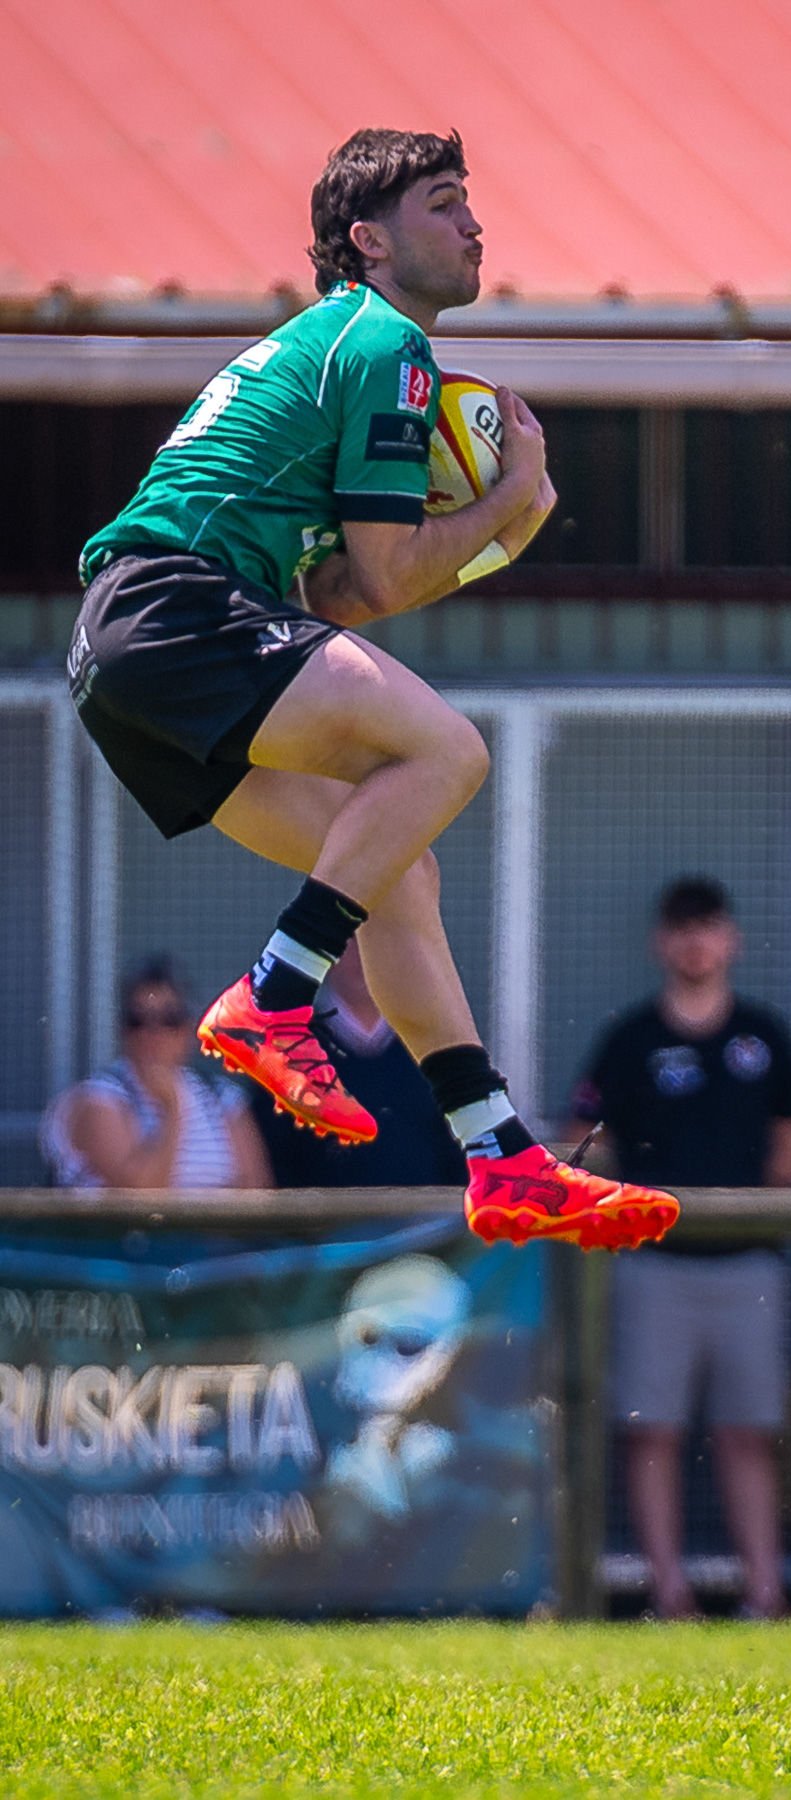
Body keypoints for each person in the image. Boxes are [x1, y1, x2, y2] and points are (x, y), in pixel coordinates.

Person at [69, 126, 677, 1255]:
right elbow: (392, 576)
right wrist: (515, 499)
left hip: (130, 647)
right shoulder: (386, 340)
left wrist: (493, 527)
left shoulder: (341, 347)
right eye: (444, 203)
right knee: (448, 754)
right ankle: (275, 990)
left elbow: (344, 597)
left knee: (401, 868)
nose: (473, 224)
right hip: (176, 607)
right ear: (370, 239)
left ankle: (500, 1157)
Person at [570, 877, 791, 1619]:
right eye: (681, 927)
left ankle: (765, 1594)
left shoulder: (765, 1036)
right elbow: (584, 1139)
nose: (695, 943)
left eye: (708, 926)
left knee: (750, 1433)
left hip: (749, 1268)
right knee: (652, 1434)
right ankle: (668, 1593)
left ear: (731, 939)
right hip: (655, 1270)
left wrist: (751, 1211)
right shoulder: (631, 1039)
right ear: (659, 941)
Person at [40, 957, 270, 1190]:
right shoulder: (99, 1099)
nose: (154, 1034)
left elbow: (256, 1194)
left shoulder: (222, 1097)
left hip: (205, 1228)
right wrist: (171, 1112)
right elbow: (139, 1198)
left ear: (190, 1029)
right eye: (138, 1021)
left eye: (169, 1020)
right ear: (123, 1031)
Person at [251, 940, 466, 1188]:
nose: (360, 957)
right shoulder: (287, 1052)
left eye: (371, 941)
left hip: (426, 1222)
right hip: (325, 1223)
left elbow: (462, 1153)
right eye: (348, 943)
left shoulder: (435, 1047)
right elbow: (272, 1162)